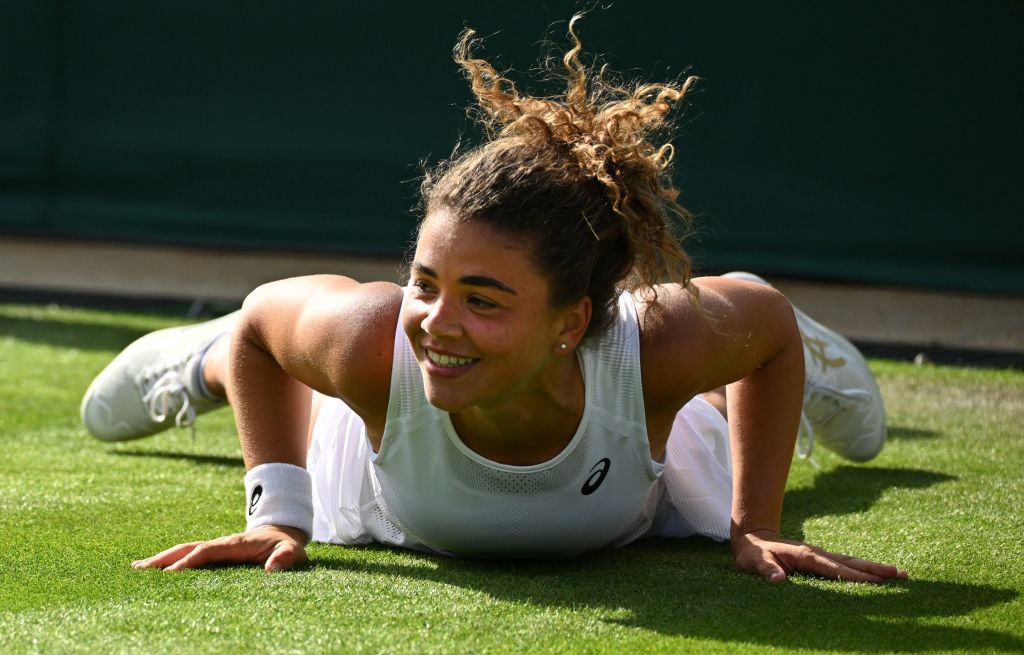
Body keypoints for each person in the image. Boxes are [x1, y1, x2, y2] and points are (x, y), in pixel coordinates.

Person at [81, 16, 906, 583]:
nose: (438, 323)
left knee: (737, 368)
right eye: (426, 282)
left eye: (483, 298)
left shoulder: (645, 350)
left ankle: (811, 363)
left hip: (637, 470)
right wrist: (280, 513)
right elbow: (265, 322)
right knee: (241, 351)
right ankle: (198, 358)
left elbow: (760, 327)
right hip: (383, 473)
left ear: (572, 320)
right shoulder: (376, 340)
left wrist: (755, 522)